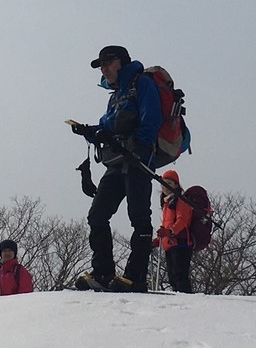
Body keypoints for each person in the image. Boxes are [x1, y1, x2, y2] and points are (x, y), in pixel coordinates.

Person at [68, 44, 161, 292]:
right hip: (118, 162)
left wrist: (140, 149)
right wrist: (90, 132)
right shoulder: (116, 96)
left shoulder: (141, 84)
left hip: (137, 160)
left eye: (108, 63)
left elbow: (151, 118)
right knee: (97, 214)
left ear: (121, 62)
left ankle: (135, 277)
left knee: (139, 216)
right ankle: (102, 272)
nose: (104, 69)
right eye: (101, 66)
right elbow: (106, 128)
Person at [156, 169, 195, 293]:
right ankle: (181, 301)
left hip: (180, 242)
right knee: (173, 278)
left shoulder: (181, 200)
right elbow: (166, 225)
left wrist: (170, 232)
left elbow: (182, 221)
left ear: (176, 185)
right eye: (163, 183)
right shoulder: (167, 203)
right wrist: (158, 241)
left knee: (179, 276)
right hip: (171, 244)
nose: (165, 186)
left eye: (169, 183)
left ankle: (186, 300)